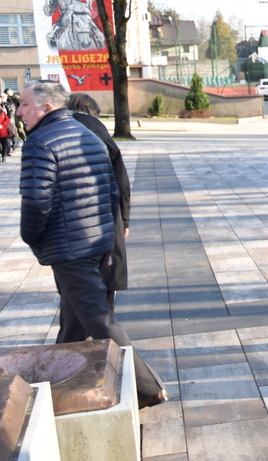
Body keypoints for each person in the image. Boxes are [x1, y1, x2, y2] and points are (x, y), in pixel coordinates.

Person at [19, 81, 166, 408]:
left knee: (99, 319)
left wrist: (32, 237)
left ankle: (148, 387)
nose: (18, 111)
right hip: (98, 241)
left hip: (71, 247)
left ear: (45, 107)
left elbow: (35, 202)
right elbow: (113, 189)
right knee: (75, 318)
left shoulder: (39, 142)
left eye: (24, 104)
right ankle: (54, 379)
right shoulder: (89, 134)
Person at [66, 93, 130, 315]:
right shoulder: (103, 136)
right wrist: (124, 220)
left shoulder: (61, 134)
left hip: (73, 228)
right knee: (103, 291)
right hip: (107, 221)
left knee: (76, 298)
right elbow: (122, 180)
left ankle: (98, 340)